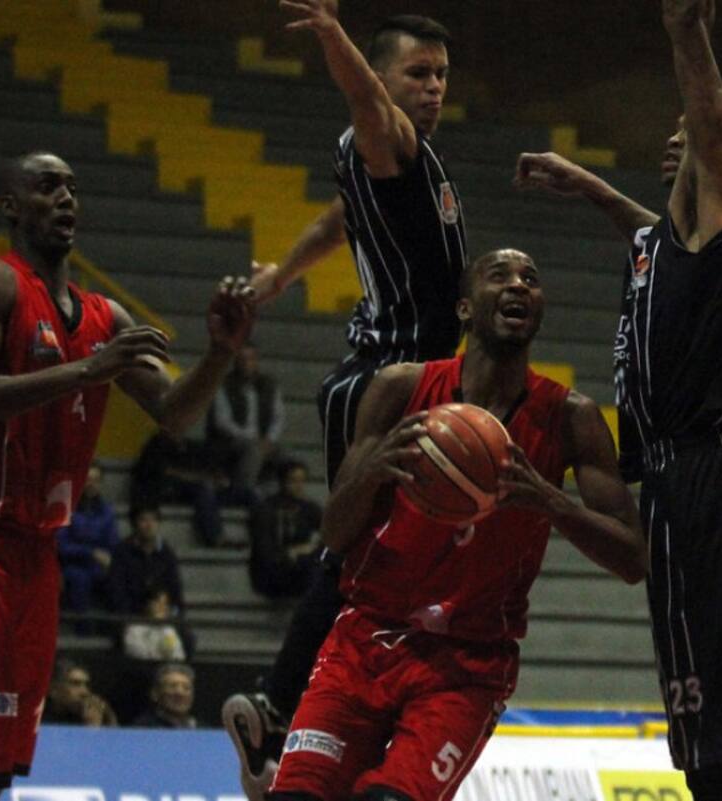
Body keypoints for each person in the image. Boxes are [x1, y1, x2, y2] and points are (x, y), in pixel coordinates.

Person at [513, 3, 722, 798]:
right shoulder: (670, 248)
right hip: (671, 485)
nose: (688, 130)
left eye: (705, 127)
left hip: (715, 484)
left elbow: (712, 142)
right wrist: (590, 186)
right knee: (700, 733)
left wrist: (686, 34)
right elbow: (652, 232)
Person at [0, 150, 255, 801]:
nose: (66, 198)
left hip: (37, 551)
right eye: (47, 187)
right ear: (11, 206)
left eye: (72, 186)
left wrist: (219, 353)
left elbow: (177, 412)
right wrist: (83, 373)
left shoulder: (107, 317)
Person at [265, 249, 644, 799]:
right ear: (465, 309)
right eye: (501, 276)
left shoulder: (570, 417)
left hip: (466, 665)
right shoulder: (400, 387)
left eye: (531, 280)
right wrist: (371, 472)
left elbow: (634, 559)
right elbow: (334, 533)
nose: (519, 286)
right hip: (365, 638)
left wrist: (553, 503)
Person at [226, 7, 469, 795]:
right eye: (415, 74)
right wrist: (333, 38)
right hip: (386, 374)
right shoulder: (385, 134)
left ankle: (291, 711)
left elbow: (340, 219)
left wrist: (278, 278)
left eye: (439, 76)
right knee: (359, 554)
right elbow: (369, 107)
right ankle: (282, 707)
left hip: (400, 370)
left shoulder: (395, 165)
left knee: (375, 554)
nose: (431, 89)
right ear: (382, 77)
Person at [206, 344, 286, 489]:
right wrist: (251, 438)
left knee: (282, 455)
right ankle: (243, 490)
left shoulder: (269, 385)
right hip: (232, 440)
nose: (247, 364)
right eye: (242, 359)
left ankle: (270, 494)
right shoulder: (224, 385)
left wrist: (270, 439)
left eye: (251, 359)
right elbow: (222, 421)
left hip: (262, 440)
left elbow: (278, 417)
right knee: (253, 450)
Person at [56, 461, 119, 627]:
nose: (91, 484)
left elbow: (112, 543)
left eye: (96, 480)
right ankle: (82, 627)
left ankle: (115, 627)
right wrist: (90, 552)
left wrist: (109, 558)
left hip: (98, 565)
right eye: (88, 479)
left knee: (120, 575)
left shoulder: (107, 511)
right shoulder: (67, 508)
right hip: (71, 565)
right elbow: (61, 545)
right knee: (80, 578)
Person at [248, 460, 323, 600]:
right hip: (273, 571)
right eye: (293, 481)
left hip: (302, 564)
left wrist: (309, 548)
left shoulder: (309, 508)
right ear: (282, 482)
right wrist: (289, 553)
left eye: (302, 481)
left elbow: (328, 534)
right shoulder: (266, 509)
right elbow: (264, 550)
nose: (298, 486)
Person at [108, 504, 185, 617]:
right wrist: (144, 610)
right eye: (143, 520)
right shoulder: (122, 553)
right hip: (131, 620)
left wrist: (168, 612)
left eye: (153, 520)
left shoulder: (167, 554)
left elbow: (176, 595)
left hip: (163, 617)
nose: (149, 525)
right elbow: (117, 594)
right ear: (134, 524)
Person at [121, 586, 195, 662]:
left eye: (165, 604)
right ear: (148, 604)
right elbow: (139, 655)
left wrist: (163, 627)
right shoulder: (134, 629)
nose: (162, 608)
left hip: (167, 668)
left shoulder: (168, 629)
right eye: (158, 603)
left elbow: (177, 654)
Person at [41, 658, 117, 727]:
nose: (85, 692)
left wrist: (108, 719)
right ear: (54, 690)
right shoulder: (39, 719)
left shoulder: (89, 715)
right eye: (75, 684)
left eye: (86, 685)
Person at [133, 662, 198, 729]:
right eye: (172, 686)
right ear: (155, 694)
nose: (180, 693)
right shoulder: (142, 729)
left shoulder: (202, 728)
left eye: (186, 688)